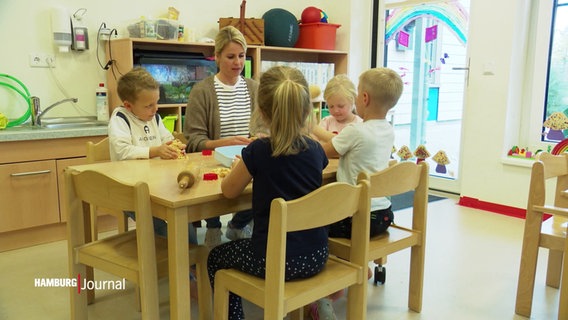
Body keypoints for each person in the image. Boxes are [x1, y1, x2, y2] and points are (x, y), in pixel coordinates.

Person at [207, 66, 329, 320]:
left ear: (261, 112)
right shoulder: (317, 150)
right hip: (317, 255)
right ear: (307, 111)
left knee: (216, 257)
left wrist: (243, 165)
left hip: (273, 261)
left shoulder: (259, 151)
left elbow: (228, 191)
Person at [310, 67, 404, 319]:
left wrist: (308, 127)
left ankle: (332, 289)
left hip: (358, 218)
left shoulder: (356, 131)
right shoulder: (388, 129)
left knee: (312, 227)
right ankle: (361, 266)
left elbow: (326, 151)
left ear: (363, 99)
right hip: (383, 215)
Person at [183, 26, 257, 249]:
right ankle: (213, 226)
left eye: (242, 56)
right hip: (213, 163)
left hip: (247, 160)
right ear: (216, 58)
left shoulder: (254, 88)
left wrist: (260, 137)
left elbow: (265, 127)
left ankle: (237, 225)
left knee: (268, 180)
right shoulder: (202, 91)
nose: (237, 62)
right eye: (230, 57)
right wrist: (225, 143)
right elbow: (193, 141)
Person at [108, 67, 198, 246]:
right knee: (157, 225)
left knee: (183, 215)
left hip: (157, 185)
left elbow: (167, 140)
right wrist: (156, 151)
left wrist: (174, 145)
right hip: (129, 190)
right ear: (128, 105)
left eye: (156, 103)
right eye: (149, 106)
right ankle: (171, 259)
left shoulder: (154, 118)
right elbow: (122, 151)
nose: (155, 109)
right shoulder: (120, 118)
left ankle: (189, 259)